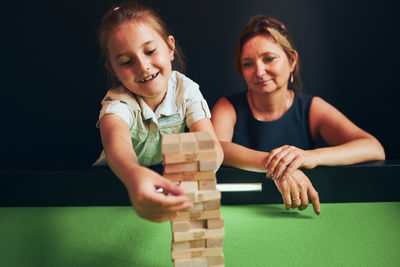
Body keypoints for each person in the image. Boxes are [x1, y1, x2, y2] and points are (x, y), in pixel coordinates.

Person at [211, 15, 385, 214]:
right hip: (242, 209)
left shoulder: (312, 108)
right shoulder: (227, 106)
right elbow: (217, 147)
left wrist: (308, 157)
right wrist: (280, 167)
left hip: (298, 210)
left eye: (269, 58)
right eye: (248, 63)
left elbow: (373, 147)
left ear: (291, 61)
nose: (259, 71)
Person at [94, 2, 223, 222]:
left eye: (150, 51)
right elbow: (117, 143)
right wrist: (134, 175)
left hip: (163, 183)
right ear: (113, 70)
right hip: (108, 187)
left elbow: (210, 145)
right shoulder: (117, 103)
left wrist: (196, 172)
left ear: (170, 47)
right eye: (126, 61)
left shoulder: (187, 90)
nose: (143, 66)